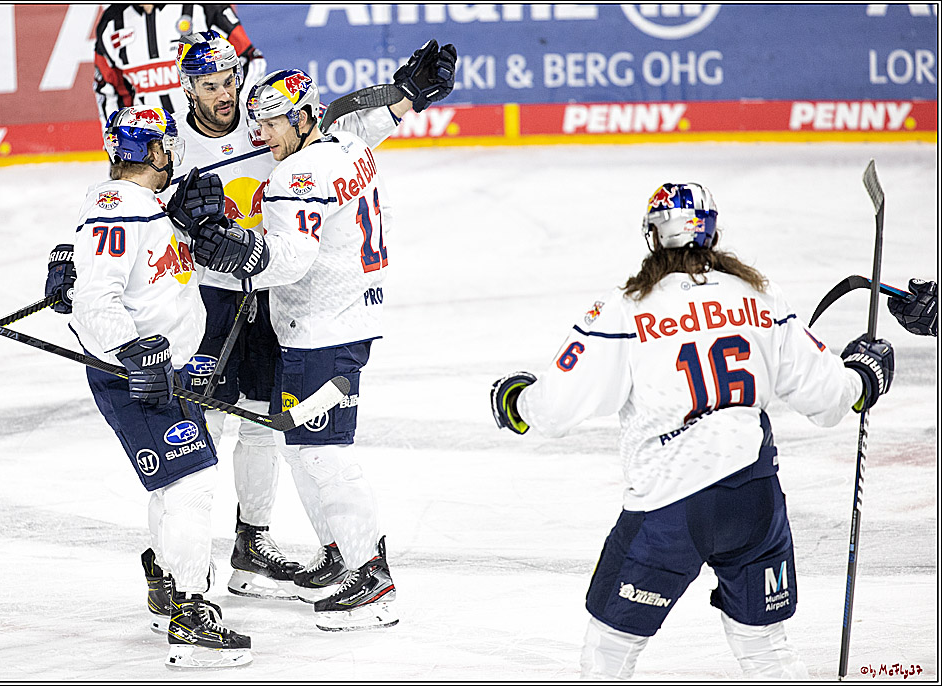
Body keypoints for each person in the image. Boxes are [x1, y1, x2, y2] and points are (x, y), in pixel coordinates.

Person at [490, 182, 895, 679]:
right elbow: (830, 396)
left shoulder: (627, 308)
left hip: (671, 508)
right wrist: (864, 378)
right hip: (755, 499)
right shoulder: (760, 295)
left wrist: (516, 401)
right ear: (712, 232)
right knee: (766, 650)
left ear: (653, 236)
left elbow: (557, 407)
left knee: (608, 653)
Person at [161, 33, 456, 611]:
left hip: (279, 295)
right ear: (189, 88)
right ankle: (180, 565)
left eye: (229, 80)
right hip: (214, 299)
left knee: (273, 427)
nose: (225, 94)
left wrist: (405, 98)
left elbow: (342, 136)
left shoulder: (272, 126)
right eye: (210, 85)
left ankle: (255, 543)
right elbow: (139, 206)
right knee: (202, 428)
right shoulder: (179, 142)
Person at [57, 105, 251, 668]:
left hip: (165, 370)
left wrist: (182, 226)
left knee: (174, 487)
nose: (173, 154)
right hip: (136, 377)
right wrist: (130, 350)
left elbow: (116, 274)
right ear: (152, 152)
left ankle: (167, 583)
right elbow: (96, 298)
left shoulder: (141, 206)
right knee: (191, 483)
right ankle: (190, 614)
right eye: (166, 145)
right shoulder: (118, 211)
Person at [92, 4, 265, 131]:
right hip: (151, 149)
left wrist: (239, 116)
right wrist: (117, 141)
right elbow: (108, 90)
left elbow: (250, 60)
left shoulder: (204, 8)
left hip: (213, 136)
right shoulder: (111, 22)